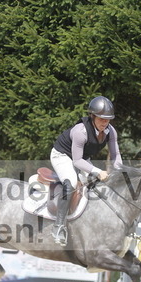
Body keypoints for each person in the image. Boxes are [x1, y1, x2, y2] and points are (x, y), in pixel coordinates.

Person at [50, 96, 123, 246]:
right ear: (92, 116)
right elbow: (76, 161)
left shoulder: (111, 131)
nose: (105, 123)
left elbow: (115, 155)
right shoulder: (80, 131)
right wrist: (98, 171)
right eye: (101, 119)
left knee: (96, 186)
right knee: (71, 183)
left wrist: (121, 171)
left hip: (82, 157)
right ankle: (58, 227)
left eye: (108, 119)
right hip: (62, 155)